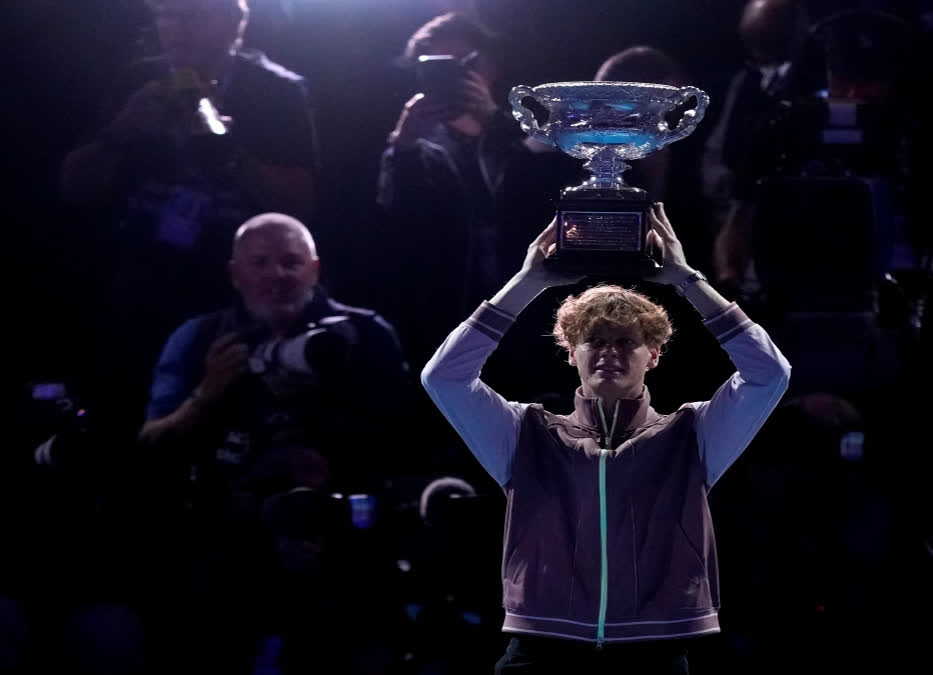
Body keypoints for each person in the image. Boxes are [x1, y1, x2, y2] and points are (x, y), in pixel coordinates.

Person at [421, 204, 791, 672]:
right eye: (595, 340)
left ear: (653, 355)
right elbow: (444, 378)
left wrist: (686, 280)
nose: (609, 353)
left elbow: (769, 374)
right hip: (541, 648)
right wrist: (528, 283)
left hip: (653, 652)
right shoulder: (526, 432)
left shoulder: (690, 433)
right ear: (570, 353)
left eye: (626, 341)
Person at [139, 213, 410, 674]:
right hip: (229, 553)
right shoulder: (201, 339)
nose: (276, 276)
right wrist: (207, 395)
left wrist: (327, 406)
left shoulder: (362, 335)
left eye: (290, 262)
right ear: (235, 273)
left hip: (345, 547)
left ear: (314, 269)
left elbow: (410, 440)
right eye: (260, 263)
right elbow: (150, 450)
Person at [59, 0, 319, 436]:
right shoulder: (139, 79)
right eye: (164, 14)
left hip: (230, 296)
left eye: (191, 14)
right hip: (140, 288)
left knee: (222, 427)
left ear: (235, 20)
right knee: (123, 421)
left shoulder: (275, 89)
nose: (175, 28)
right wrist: (122, 130)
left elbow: (301, 203)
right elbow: (71, 187)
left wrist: (227, 149)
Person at [376, 11, 524, 360]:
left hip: (519, 309)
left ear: (491, 68)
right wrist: (405, 144)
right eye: (441, 66)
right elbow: (395, 216)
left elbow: (534, 192)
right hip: (442, 314)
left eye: (466, 64)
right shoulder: (415, 146)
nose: (456, 75)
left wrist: (492, 122)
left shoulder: (522, 133)